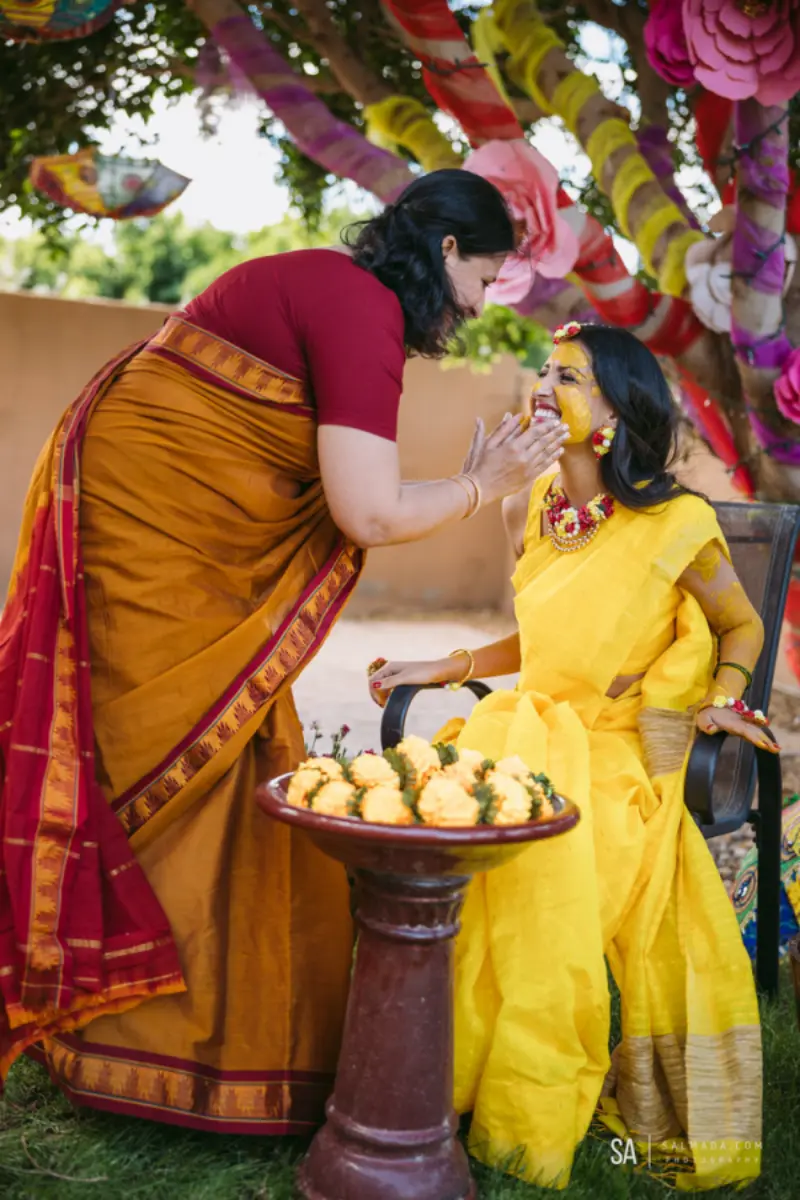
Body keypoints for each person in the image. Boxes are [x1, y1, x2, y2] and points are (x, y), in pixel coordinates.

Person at [0, 170, 570, 1129]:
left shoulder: (327, 286)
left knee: (235, 758)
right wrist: (484, 483)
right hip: (151, 545)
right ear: (445, 255)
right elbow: (368, 509)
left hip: (154, 529)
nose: (479, 305)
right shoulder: (357, 308)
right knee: (164, 761)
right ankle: (135, 1039)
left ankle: (172, 1050)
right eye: (485, 278)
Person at [369, 323, 768, 1190]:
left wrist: (725, 694)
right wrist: (447, 665)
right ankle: (444, 1075)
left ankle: (524, 1098)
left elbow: (743, 624)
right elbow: (542, 637)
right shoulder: (535, 501)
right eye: (544, 371)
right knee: (440, 827)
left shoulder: (676, 521)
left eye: (572, 377)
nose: (546, 385)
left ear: (618, 414)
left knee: (540, 857)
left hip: (621, 758)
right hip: (525, 725)